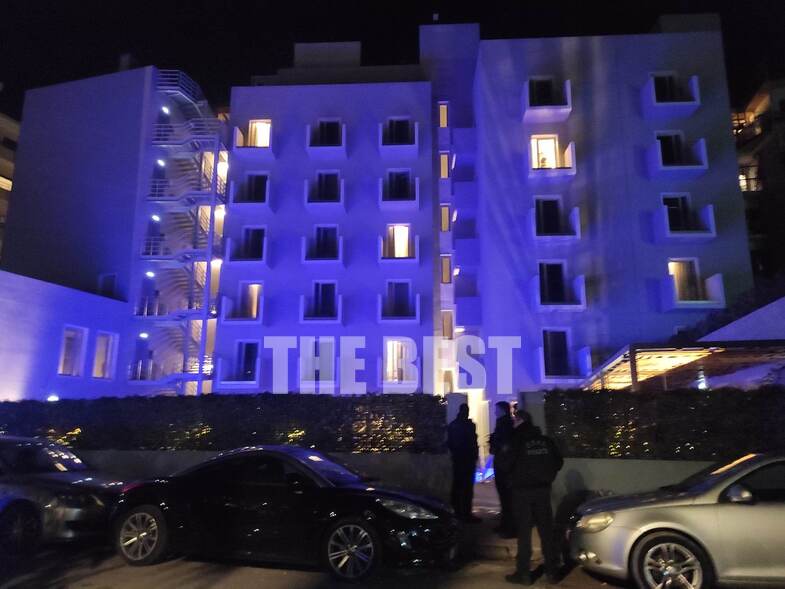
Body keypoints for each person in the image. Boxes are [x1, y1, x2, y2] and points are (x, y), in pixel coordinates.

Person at [504, 410, 563, 586]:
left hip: (522, 493)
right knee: (546, 532)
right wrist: (547, 475)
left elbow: (505, 464)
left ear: (521, 421)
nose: (513, 422)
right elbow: (558, 462)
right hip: (543, 491)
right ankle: (552, 572)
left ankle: (524, 574)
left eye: (515, 419)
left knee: (524, 534)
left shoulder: (516, 441)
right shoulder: (546, 441)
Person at [447, 403, 480, 522]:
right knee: (467, 488)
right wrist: (474, 456)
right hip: (467, 460)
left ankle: (457, 512)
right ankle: (465, 513)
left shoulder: (453, 425)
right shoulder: (469, 425)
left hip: (459, 459)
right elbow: (473, 443)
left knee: (458, 487)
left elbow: (450, 443)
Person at [489, 401, 515, 537]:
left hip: (504, 466)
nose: (495, 412)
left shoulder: (505, 424)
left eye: (496, 410)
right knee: (505, 498)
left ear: (502, 410)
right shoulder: (505, 423)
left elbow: (504, 445)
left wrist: (495, 444)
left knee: (506, 497)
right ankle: (505, 525)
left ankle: (509, 528)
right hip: (503, 464)